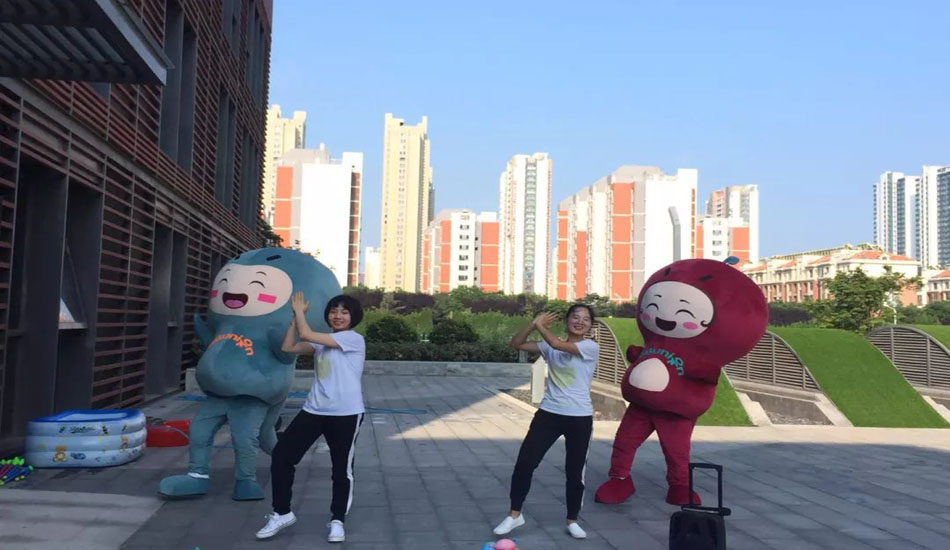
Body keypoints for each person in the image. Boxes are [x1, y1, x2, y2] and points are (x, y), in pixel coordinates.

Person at [255, 292, 365, 544]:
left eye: (344, 312)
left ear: (353, 317)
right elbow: (288, 347)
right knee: (282, 456)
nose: (338, 316)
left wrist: (299, 312)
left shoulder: (352, 339)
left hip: (346, 414)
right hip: (314, 410)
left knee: (341, 469)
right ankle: (282, 513)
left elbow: (306, 335)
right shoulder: (322, 342)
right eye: (334, 311)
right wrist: (295, 319)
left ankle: (337, 520)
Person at [493, 305, 600, 540]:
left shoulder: (590, 347)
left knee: (574, 471)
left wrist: (540, 325)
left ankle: (572, 520)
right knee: (525, 463)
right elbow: (516, 343)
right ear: (567, 321)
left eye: (585, 319)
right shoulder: (548, 346)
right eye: (575, 317)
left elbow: (558, 345)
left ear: (590, 326)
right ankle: (514, 515)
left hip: (579, 417)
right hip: (549, 414)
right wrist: (532, 324)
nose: (580, 322)